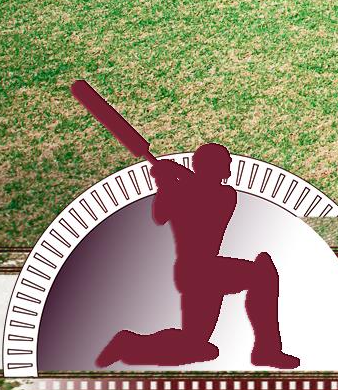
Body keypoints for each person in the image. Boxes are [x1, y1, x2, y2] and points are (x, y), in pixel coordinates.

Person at [93, 141, 299, 369]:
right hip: (200, 271)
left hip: (202, 272)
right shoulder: (185, 191)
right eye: (225, 163)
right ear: (214, 166)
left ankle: (130, 342)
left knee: (198, 345)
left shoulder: (223, 195)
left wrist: (174, 176)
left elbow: (204, 195)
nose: (229, 167)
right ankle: (267, 350)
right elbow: (160, 215)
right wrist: (166, 183)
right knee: (262, 274)